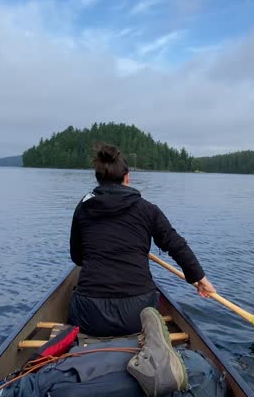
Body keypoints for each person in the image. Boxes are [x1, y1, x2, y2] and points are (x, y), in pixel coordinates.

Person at [67, 143, 216, 338]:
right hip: (137, 315)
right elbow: (176, 244)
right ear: (127, 178)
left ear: (98, 179)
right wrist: (200, 278)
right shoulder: (147, 209)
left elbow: (77, 258)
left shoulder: (83, 209)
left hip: (91, 315)